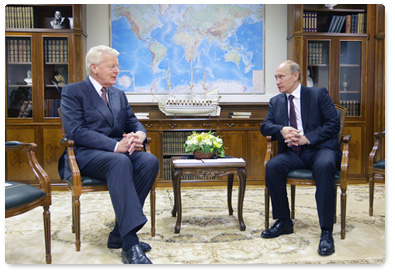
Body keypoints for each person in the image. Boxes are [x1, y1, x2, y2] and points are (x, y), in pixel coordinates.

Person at [58, 45, 159, 264]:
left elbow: (132, 121)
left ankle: (117, 235)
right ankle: (130, 242)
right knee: (120, 161)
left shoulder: (118, 95)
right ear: (94, 68)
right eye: (112, 66)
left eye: (117, 66)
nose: (117, 71)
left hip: (116, 154)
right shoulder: (73, 92)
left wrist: (140, 135)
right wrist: (116, 146)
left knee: (149, 161)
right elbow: (76, 132)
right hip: (86, 155)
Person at [260, 60, 341, 256]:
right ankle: (284, 221)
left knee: (324, 166)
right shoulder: (276, 101)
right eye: (276, 78)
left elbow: (333, 124)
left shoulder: (317, 94)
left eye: (281, 77)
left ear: (295, 76)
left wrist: (307, 138)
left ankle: (326, 231)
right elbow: (265, 127)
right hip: (293, 154)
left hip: (320, 149)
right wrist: (282, 129)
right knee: (272, 166)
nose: (277, 81)